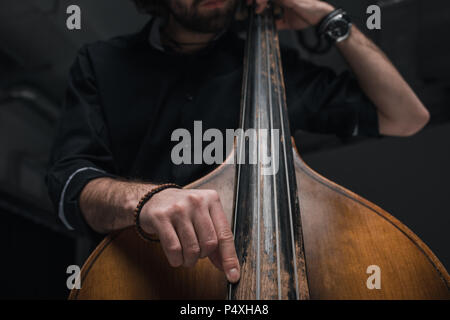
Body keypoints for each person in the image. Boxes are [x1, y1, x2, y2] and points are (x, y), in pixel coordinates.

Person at [46, 0, 430, 285]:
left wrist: (330, 19)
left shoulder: (279, 68)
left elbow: (406, 118)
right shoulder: (101, 63)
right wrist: (143, 200)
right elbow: (70, 180)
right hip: (144, 281)